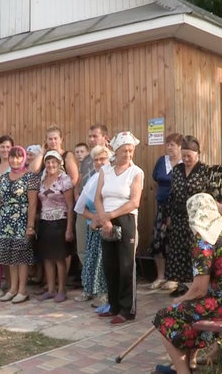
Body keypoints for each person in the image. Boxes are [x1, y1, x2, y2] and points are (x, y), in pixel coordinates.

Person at [153, 193, 222, 374]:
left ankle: (182, 371)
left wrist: (180, 299)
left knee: (165, 318)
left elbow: (199, 289)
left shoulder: (204, 237)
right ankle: (191, 363)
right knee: (187, 313)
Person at [94, 131, 144, 325]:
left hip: (126, 219)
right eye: (125, 151)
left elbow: (134, 202)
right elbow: (98, 197)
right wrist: (104, 220)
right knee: (110, 264)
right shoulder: (105, 171)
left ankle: (127, 309)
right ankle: (113, 305)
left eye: (131, 151)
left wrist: (110, 216)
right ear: (116, 150)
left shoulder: (136, 172)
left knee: (125, 266)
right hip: (106, 219)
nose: (128, 154)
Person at [0, 146, 39, 304]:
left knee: (21, 257)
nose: (15, 160)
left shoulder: (30, 177)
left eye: (18, 157)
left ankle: (22, 290)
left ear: (24, 158)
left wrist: (30, 226)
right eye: (12, 157)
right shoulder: (4, 177)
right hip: (5, 221)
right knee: (10, 257)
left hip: (22, 220)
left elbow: (33, 203)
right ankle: (12, 289)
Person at [164, 135, 208, 296]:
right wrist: (168, 215)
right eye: (184, 156)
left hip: (196, 217)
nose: (186, 159)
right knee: (177, 250)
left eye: (189, 156)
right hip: (178, 215)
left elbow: (207, 195)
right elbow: (172, 193)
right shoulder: (177, 169)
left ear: (198, 154)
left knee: (194, 249)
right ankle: (181, 285)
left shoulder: (204, 170)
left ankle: (196, 286)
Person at [73, 145, 110, 304]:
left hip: (108, 224)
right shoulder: (92, 178)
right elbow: (80, 206)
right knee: (91, 260)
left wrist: (101, 218)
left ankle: (103, 294)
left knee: (104, 261)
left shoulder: (113, 177)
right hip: (93, 225)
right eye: (96, 160)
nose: (99, 163)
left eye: (103, 159)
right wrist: (94, 217)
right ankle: (89, 290)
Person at [36, 150, 75, 302]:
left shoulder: (64, 180)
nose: (51, 165)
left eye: (54, 162)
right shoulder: (43, 178)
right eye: (48, 162)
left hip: (60, 221)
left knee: (59, 258)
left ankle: (61, 289)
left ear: (59, 163)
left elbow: (70, 205)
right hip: (45, 222)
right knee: (47, 257)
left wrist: (69, 228)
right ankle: (51, 289)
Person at [149, 132, 183, 290]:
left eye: (173, 145)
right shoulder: (161, 161)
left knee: (175, 241)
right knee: (158, 240)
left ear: (180, 147)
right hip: (162, 206)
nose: (169, 148)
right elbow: (156, 177)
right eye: (167, 144)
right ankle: (160, 276)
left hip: (178, 208)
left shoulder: (184, 164)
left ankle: (175, 277)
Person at [75, 124, 110, 269]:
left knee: (104, 250)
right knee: (83, 247)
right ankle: (89, 282)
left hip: (104, 210)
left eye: (95, 136)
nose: (91, 139)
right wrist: (77, 194)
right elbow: (80, 179)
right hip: (85, 208)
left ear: (105, 138)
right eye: (90, 136)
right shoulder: (87, 159)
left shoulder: (112, 158)